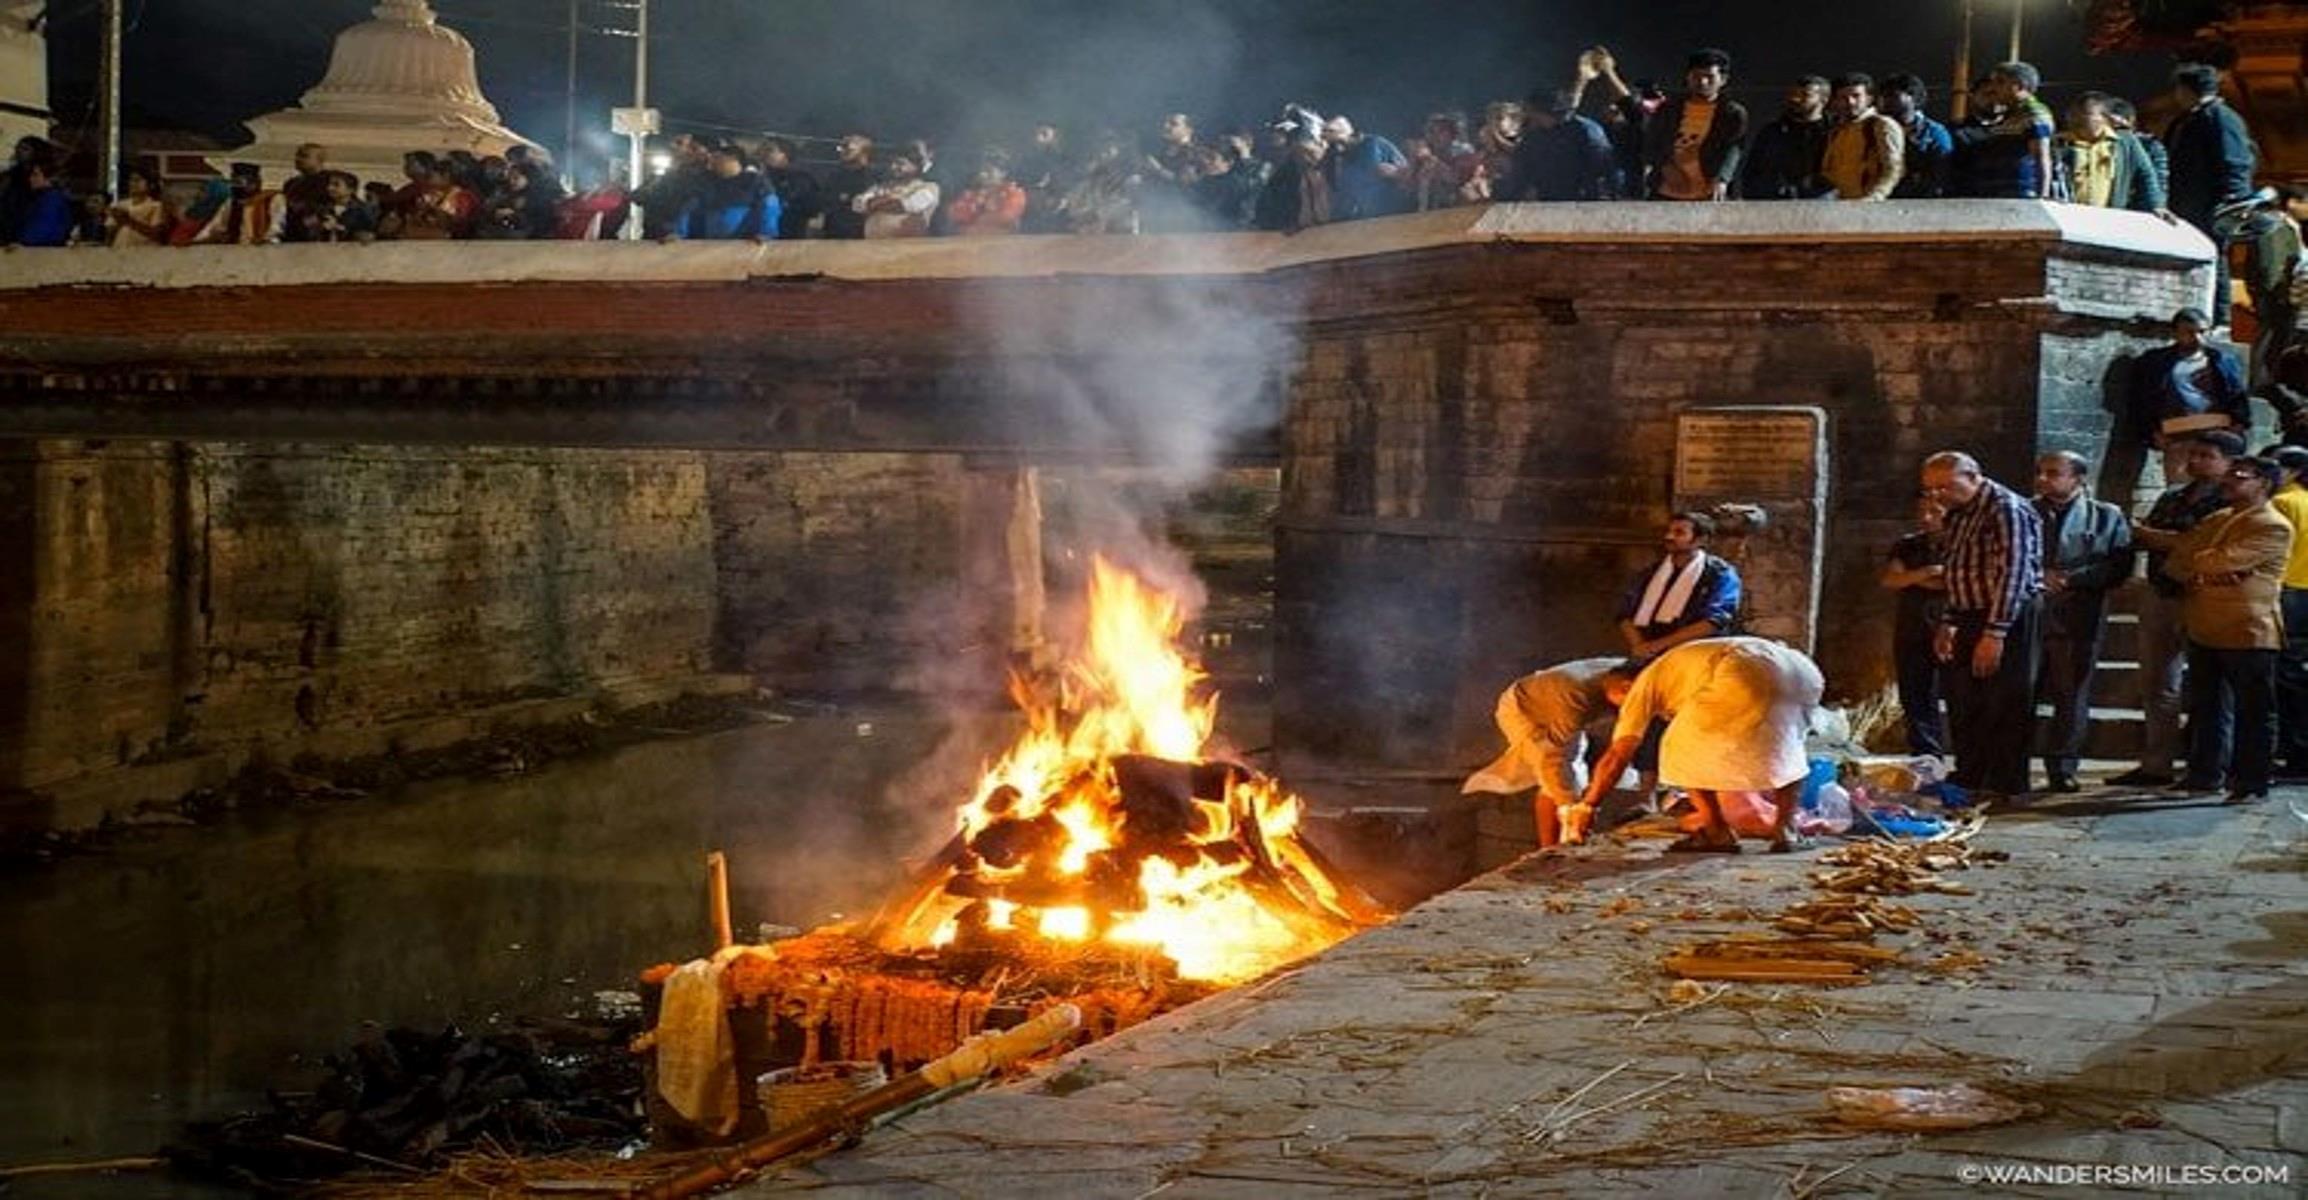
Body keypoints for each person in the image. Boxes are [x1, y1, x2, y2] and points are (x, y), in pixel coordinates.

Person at [1566, 637, 1826, 853]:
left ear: (1626, 685)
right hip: (1803, 670)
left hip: (1740, 669)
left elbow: (1619, 753)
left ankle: (1716, 832)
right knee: (1785, 746)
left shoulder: (1645, 683)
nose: (1620, 708)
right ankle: (1786, 830)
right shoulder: (1683, 665)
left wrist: (1587, 805)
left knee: (1678, 747)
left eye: (1616, 701)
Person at [2148, 455, 2294, 801]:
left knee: (2254, 710)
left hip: (2247, 629)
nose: (2229, 481)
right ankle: (2205, 773)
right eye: (2229, 474)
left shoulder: (2272, 524)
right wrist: (2208, 569)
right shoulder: (2220, 518)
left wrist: (2208, 565)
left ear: (2264, 483)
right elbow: (2183, 556)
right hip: (2205, 625)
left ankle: (2251, 781)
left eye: (2240, 476)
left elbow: (2220, 559)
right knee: (2206, 705)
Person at [2112, 431, 2244, 787]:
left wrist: (2166, 539)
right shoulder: (2174, 497)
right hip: (2161, 593)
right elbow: (2145, 535)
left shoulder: (2232, 504)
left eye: (2206, 455)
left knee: (2211, 687)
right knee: (2157, 683)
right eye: (2193, 454)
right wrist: (2171, 540)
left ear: (2230, 462)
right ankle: (2157, 763)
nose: (2195, 461)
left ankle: (2209, 765)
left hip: (2203, 598)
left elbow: (2200, 545)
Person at [1922, 451, 2044, 799]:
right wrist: (1949, 620)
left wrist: (1996, 632)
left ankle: (2006, 780)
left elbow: (2013, 572)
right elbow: (1958, 568)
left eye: (1945, 486)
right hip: (1968, 611)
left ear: (1972, 476)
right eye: (1930, 490)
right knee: (1965, 698)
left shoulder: (2006, 509)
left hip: (2007, 613)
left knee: (2006, 698)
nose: (1937, 496)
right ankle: (1972, 773)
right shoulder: (1959, 514)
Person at [2032, 452, 2135, 792]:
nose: (2044, 480)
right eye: (2041, 473)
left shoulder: (2106, 516)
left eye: (2054, 473)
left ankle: (2062, 765)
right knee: (2020, 692)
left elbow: (2118, 564)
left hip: (2078, 615)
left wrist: (2072, 579)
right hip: (2030, 613)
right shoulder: (2025, 510)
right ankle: (2011, 761)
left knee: (2071, 693)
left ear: (2078, 479)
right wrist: (2037, 576)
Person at [1462, 658, 1639, 848]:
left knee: (1572, 772)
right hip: (1524, 709)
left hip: (1558, 703)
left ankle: (1567, 840)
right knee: (1558, 776)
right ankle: (1550, 850)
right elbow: (1551, 756)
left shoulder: (1629, 672)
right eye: (1635, 701)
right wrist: (1570, 808)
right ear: (1625, 687)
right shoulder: (1575, 695)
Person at [2165, 61, 2257, 326]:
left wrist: (2233, 205)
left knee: (2215, 262)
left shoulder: (2221, 118)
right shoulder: (2189, 119)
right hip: (2188, 208)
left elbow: (2235, 163)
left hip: (2211, 208)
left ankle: (2218, 323)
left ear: (2186, 89)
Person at [1618, 512, 1743, 661]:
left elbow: (1716, 620)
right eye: (1668, 531)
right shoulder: (1651, 572)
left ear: (1700, 540)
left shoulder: (1719, 573)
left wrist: (1658, 645)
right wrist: (1639, 645)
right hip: (1648, 652)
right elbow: (1625, 613)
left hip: (1699, 654)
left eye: (1679, 533)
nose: (1669, 537)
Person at [1882, 496, 1950, 758]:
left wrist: (1912, 578)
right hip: (1913, 624)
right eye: (1922, 511)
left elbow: (1952, 582)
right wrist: (1928, 572)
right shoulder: (1908, 545)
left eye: (1935, 511)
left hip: (1950, 624)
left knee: (1957, 690)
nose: (1926, 517)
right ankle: (1925, 754)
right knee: (1914, 691)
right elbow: (1891, 579)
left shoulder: (1963, 544)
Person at [2130, 307, 2249, 447]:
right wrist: (2152, 431)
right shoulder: (2157, 361)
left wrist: (2238, 425)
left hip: (2216, 430)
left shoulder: (2223, 361)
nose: (2197, 338)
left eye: (2202, 332)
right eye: (2189, 332)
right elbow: (2143, 399)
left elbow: (2237, 395)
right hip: (2176, 431)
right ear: (2175, 333)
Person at [1642, 48, 1748, 201]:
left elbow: (1734, 149)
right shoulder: (1669, 109)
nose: (1702, 82)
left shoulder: (1732, 113)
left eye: (1709, 77)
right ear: (1688, 77)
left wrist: (1723, 179)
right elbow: (1652, 142)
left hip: (1708, 193)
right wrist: (1656, 167)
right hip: (1666, 191)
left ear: (1723, 80)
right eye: (1696, 76)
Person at [1958, 62, 2056, 200]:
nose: (1994, 88)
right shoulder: (2009, 115)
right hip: (1997, 196)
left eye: (2000, 82)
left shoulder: (2035, 114)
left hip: (2022, 196)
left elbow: (2041, 157)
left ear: (2020, 86)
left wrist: (2042, 197)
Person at [2269, 446, 2308, 776]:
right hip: (2304, 590)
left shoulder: (2282, 503)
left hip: (2289, 591)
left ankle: (2294, 750)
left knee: (2285, 676)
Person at [1503, 89, 1617, 202]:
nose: (1527, 116)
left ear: (1541, 112)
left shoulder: (1585, 131)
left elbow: (1602, 167)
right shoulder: (1534, 135)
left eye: (1530, 111)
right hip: (1548, 200)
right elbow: (1523, 168)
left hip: (1584, 200)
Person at [2063, 92, 2166, 214]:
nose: (2077, 120)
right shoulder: (2061, 144)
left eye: (2086, 114)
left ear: (2104, 118)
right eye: (2073, 115)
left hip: (2111, 217)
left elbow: (2145, 174)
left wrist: (2156, 205)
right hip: (2070, 217)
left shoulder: (2125, 142)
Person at [1742, 76, 1831, 201]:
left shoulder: (1834, 132)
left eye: (1805, 95)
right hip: (1777, 205)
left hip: (1824, 205)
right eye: (1794, 94)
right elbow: (1752, 172)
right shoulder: (1773, 132)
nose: (1796, 99)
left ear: (1824, 100)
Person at [1822, 72, 1906, 202]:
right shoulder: (1837, 131)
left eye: (1856, 96)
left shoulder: (1881, 125)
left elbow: (1894, 169)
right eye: (1843, 97)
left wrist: (1875, 196)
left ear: (1869, 98)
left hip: (1869, 208)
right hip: (1840, 207)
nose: (1850, 102)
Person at [675, 143, 778, 241]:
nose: (711, 162)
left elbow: (769, 207)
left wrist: (765, 233)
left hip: (745, 243)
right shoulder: (703, 181)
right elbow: (687, 208)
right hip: (707, 243)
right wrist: (678, 233)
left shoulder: (755, 182)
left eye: (717, 157)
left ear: (733, 158)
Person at [1321, 115, 1408, 221]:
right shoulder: (1339, 159)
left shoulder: (1374, 145)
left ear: (1348, 133)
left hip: (1390, 216)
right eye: (1332, 143)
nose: (1336, 147)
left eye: (1338, 141)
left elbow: (1405, 176)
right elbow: (1345, 193)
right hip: (1363, 221)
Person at [1882, 73, 1953, 199]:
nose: (1886, 101)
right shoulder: (1878, 129)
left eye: (1893, 96)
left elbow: (1940, 174)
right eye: (1884, 96)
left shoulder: (1934, 133)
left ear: (1913, 97)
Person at [378, 151, 475, 240]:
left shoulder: (461, 196)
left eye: (431, 177)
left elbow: (455, 224)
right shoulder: (433, 194)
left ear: (445, 176)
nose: (428, 180)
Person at [633, 133, 711, 241]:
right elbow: (638, 196)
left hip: (688, 242)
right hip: (654, 237)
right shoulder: (663, 175)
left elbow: (685, 205)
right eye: (677, 144)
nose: (678, 149)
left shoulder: (707, 179)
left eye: (691, 147)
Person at [185, 163, 286, 245]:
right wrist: (196, 241)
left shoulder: (272, 199)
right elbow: (214, 227)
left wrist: (265, 241)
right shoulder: (232, 203)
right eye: (235, 182)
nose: (238, 187)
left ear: (256, 182)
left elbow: (275, 231)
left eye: (242, 182)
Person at [853, 148, 939, 238]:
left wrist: (874, 202)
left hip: (909, 247)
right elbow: (858, 205)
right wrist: (890, 199)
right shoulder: (882, 186)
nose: (893, 167)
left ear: (916, 165)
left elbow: (908, 205)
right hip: (873, 247)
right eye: (892, 163)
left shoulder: (929, 187)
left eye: (900, 163)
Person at [1408, 112, 1481, 211]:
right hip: (1429, 212)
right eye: (1431, 131)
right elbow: (1409, 185)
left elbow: (1455, 178)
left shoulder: (1465, 151)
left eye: (1441, 131)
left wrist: (1430, 158)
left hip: (1460, 209)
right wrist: (1413, 162)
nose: (1435, 136)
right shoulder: (1426, 152)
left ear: (1452, 133)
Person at [285, 170, 376, 243]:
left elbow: (368, 233)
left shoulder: (362, 210)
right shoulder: (321, 208)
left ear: (350, 190)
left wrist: (340, 228)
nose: (330, 188)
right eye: (329, 184)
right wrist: (320, 227)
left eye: (336, 185)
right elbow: (306, 229)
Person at [758, 140, 821, 241]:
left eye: (770, 150)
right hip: (759, 237)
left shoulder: (801, 179)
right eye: (763, 150)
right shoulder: (759, 177)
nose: (764, 154)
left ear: (784, 154)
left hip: (790, 237)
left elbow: (812, 209)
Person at [946, 158, 1028, 236]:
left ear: (1004, 172)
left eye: (989, 170)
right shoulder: (968, 195)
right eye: (983, 170)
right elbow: (955, 217)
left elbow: (1006, 217)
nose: (984, 174)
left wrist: (979, 223)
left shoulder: (1013, 193)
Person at [819, 134, 878, 240]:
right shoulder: (833, 176)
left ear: (864, 151)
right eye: (841, 148)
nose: (842, 151)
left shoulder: (875, 178)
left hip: (862, 237)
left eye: (847, 148)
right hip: (832, 235)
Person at [9, 159, 71, 247]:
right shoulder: (39, 198)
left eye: (36, 175)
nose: (31, 179)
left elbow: (42, 230)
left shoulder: (52, 199)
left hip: (44, 252)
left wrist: (22, 243)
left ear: (49, 178)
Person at [107, 165, 172, 247]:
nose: (133, 183)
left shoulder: (156, 206)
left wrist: (128, 220)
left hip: (143, 250)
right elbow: (109, 235)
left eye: (138, 180)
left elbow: (157, 234)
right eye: (131, 180)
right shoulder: (120, 205)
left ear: (150, 184)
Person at [282, 143, 332, 215]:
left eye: (304, 156)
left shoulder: (330, 181)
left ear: (319, 159)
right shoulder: (291, 183)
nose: (298, 159)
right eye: (297, 155)